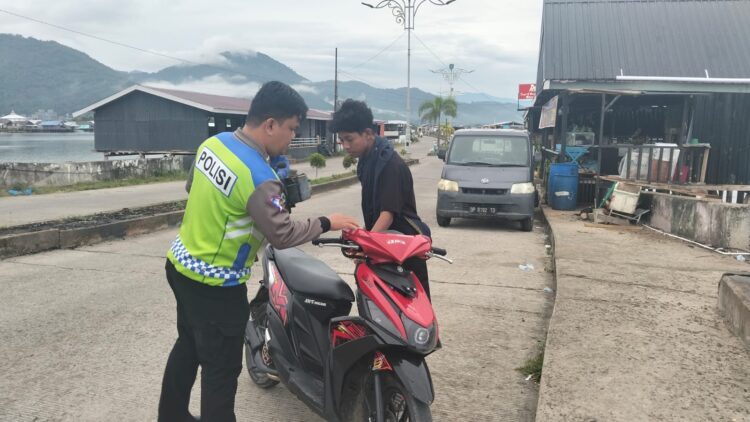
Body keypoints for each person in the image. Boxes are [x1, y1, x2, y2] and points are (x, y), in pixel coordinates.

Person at [159, 81, 358, 422]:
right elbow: (282, 234)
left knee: (188, 345)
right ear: (270, 124)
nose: (292, 138)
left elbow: (193, 187)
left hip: (180, 265)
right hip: (216, 286)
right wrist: (327, 222)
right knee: (221, 371)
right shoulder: (260, 176)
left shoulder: (212, 144)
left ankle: (171, 415)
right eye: (291, 129)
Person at [330, 99, 433, 298]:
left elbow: (387, 215)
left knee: (410, 309)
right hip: (384, 244)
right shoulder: (368, 159)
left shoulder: (389, 164)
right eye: (341, 140)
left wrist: (366, 247)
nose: (345, 146)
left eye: (349, 139)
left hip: (403, 248)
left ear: (368, 133)